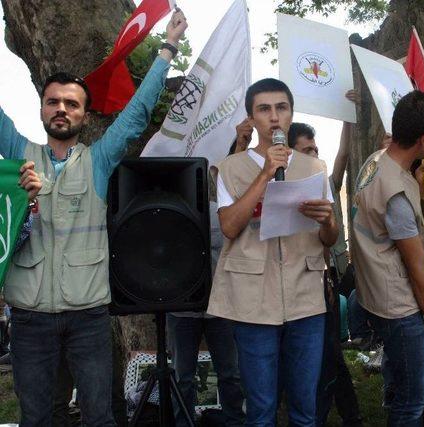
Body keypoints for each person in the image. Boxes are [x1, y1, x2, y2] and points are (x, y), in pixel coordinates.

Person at [0, 10, 187, 426]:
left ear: (85, 115)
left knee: (99, 415)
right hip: (29, 317)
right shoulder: (17, 153)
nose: (62, 109)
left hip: (88, 317)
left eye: (72, 103)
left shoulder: (99, 161)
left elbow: (137, 114)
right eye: (54, 102)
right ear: (43, 110)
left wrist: (168, 48)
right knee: (36, 416)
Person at [207, 78, 338, 426]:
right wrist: (265, 173)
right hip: (253, 303)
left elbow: (330, 237)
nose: (274, 117)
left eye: (281, 108)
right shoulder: (229, 168)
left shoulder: (314, 168)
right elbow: (231, 227)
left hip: (306, 298)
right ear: (252, 117)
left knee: (305, 411)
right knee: (262, 410)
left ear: (291, 113)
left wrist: (326, 222)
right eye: (264, 109)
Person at [350, 90, 424, 426]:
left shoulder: (375, 160)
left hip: (374, 296)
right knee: (414, 400)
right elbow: (415, 268)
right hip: (399, 306)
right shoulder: (396, 193)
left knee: (399, 387)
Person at [165, 126, 250, 427]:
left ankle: (234, 422)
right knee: (182, 376)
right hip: (181, 311)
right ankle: (184, 422)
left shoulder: (222, 213)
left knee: (231, 373)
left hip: (221, 309)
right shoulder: (169, 219)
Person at [287, 105, 364, 427]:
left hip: (329, 279)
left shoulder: (326, 181)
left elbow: (344, 154)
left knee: (330, 352)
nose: (314, 155)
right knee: (322, 355)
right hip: (302, 283)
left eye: (316, 149)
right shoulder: (284, 190)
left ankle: (344, 414)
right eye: (307, 150)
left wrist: (348, 114)